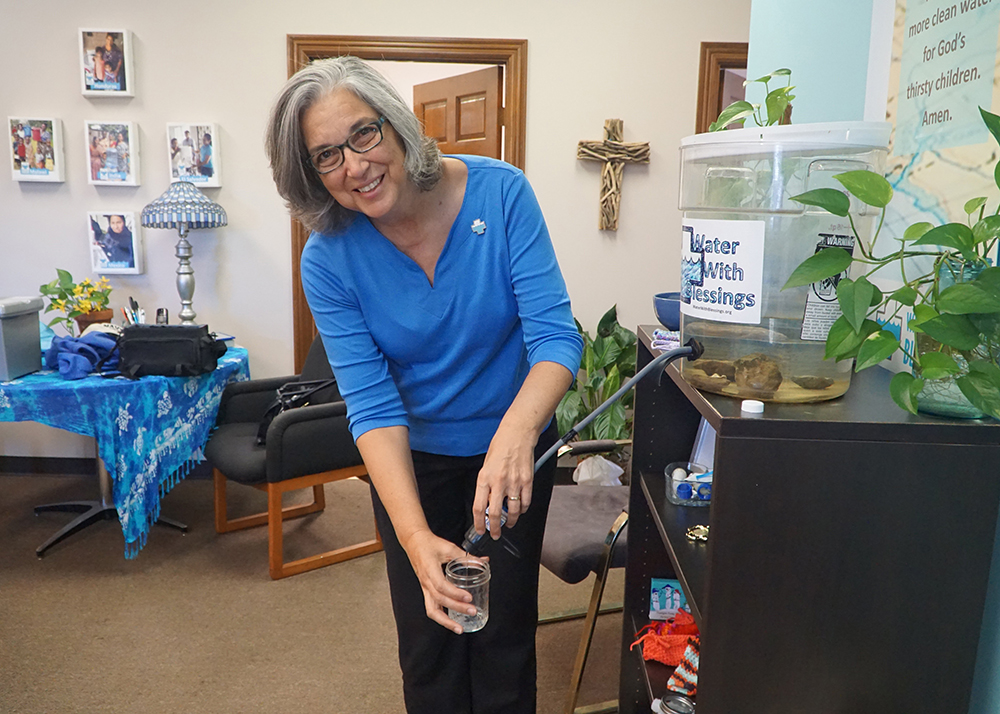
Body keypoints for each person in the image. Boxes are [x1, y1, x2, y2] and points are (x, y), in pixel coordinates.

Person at [265, 56, 583, 714]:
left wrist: (515, 435)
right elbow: (373, 406)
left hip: (514, 450)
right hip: (414, 464)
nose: (354, 166)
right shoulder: (328, 259)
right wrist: (414, 540)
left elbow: (555, 338)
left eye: (362, 134)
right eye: (326, 156)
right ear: (312, 176)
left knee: (502, 636)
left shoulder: (502, 195)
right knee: (429, 641)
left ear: (398, 124)